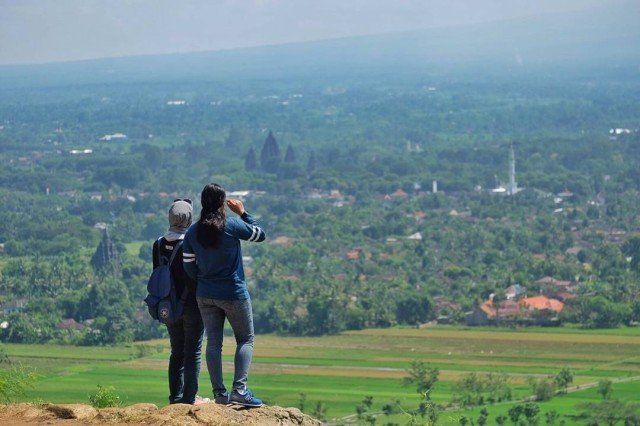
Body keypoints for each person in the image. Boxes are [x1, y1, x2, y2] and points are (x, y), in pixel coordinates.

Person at [183, 183, 266, 407]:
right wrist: (244, 213)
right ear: (222, 204)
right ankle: (240, 390)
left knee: (213, 343)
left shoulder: (192, 232)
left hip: (205, 294)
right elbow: (260, 235)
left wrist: (203, 281)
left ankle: (220, 394)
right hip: (234, 292)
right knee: (245, 339)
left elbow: (189, 266)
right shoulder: (232, 225)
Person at [152, 199, 208, 405]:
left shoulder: (158, 244)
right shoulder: (191, 243)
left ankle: (175, 398)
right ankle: (189, 398)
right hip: (192, 306)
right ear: (189, 219)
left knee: (176, 351)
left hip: (168, 306)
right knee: (192, 352)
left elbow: (157, 274)